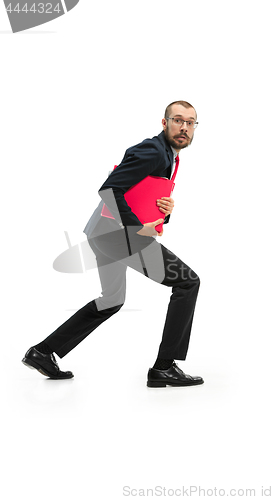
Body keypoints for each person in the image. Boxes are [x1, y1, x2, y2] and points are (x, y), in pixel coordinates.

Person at [22, 100, 203, 388]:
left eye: (190, 122)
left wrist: (163, 212)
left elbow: (134, 193)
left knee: (112, 300)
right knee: (187, 282)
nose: (184, 127)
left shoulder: (166, 155)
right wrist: (135, 227)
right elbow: (109, 189)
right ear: (164, 122)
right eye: (177, 120)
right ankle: (164, 367)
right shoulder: (153, 150)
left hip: (103, 234)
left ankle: (42, 352)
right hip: (120, 237)